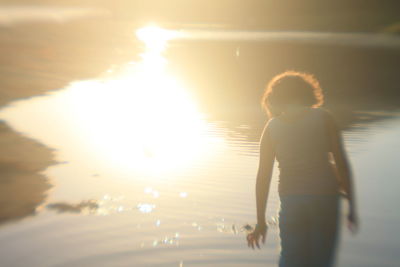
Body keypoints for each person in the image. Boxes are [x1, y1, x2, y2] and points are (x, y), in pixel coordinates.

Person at [246, 71, 358, 267]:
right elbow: (342, 163)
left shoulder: (272, 127)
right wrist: (352, 206)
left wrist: (261, 222)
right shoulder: (324, 118)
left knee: (290, 260)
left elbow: (263, 177)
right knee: (321, 261)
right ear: (307, 92)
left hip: (292, 200)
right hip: (325, 198)